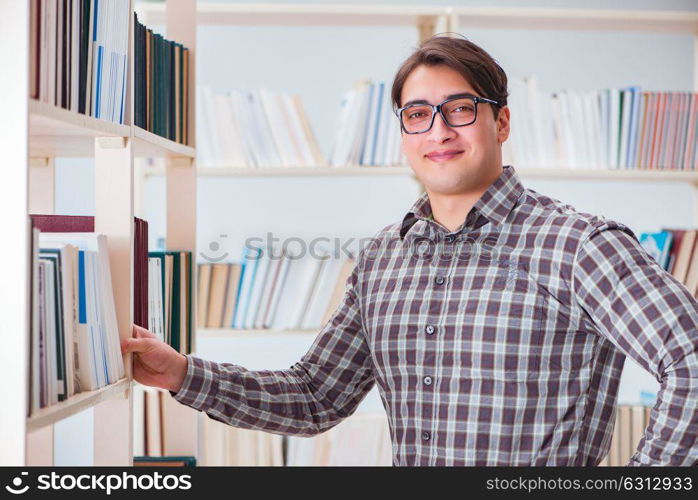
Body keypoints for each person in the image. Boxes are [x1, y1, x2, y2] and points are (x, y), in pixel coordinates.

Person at [122, 35, 698, 466]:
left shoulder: (578, 245)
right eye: (418, 115)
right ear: (403, 135)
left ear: (501, 123)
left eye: (461, 109)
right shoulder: (382, 259)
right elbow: (315, 396)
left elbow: (690, 363)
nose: (439, 131)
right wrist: (182, 373)